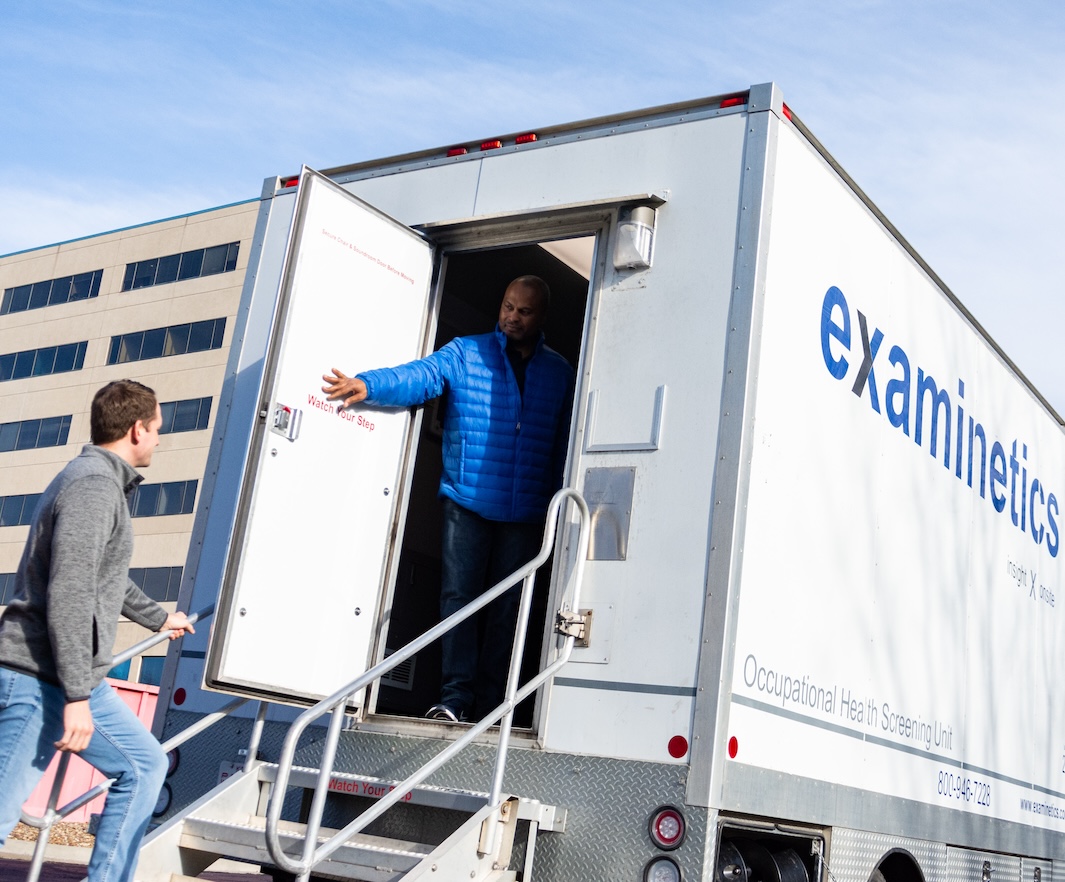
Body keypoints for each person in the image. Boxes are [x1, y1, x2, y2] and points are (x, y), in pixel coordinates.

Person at [323, 275, 573, 723]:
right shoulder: (466, 352)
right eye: (508, 306)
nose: (512, 317)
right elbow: (421, 376)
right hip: (467, 497)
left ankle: (494, 704)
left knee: (508, 608)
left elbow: (564, 443)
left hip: (528, 509)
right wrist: (369, 384)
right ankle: (455, 698)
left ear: (542, 318)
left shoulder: (560, 372)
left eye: (525, 311)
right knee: (458, 597)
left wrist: (556, 493)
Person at [0, 379, 195, 882]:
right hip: (41, 676)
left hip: (63, 674)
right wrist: (78, 696)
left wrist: (159, 617)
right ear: (136, 429)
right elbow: (69, 592)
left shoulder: (99, 483)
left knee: (144, 765)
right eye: (156, 430)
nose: (158, 439)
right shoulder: (93, 487)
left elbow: (104, 576)